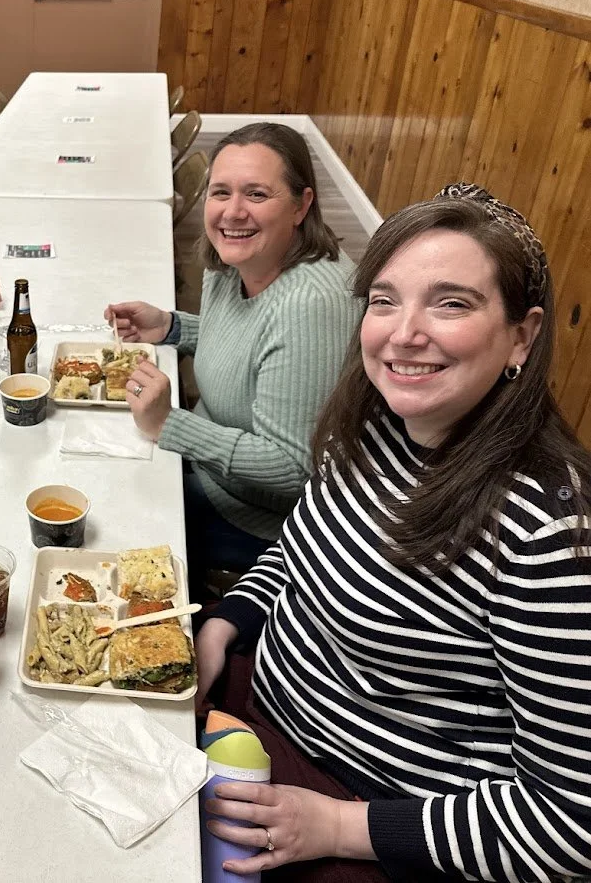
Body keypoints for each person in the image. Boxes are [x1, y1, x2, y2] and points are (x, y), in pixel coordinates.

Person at [195, 184, 591, 882]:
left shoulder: (546, 531)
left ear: (521, 335)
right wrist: (226, 622)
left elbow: (571, 819)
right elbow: (301, 545)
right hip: (259, 720)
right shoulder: (373, 422)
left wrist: (341, 826)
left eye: (450, 302)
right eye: (384, 299)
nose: (403, 333)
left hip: (373, 823)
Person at [106, 123, 359, 581]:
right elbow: (254, 348)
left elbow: (293, 467)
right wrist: (172, 326)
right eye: (220, 192)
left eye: (257, 195)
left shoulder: (312, 304)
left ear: (302, 205)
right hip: (204, 465)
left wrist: (169, 424)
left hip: (254, 520)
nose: (232, 212)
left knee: (106, 522)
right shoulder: (234, 258)